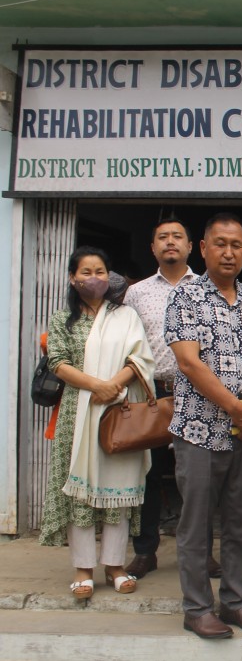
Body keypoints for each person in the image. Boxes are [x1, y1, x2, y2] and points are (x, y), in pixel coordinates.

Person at [165, 213, 242, 639]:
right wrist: (236, 407)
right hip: (199, 431)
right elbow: (189, 362)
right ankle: (196, 607)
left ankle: (234, 601)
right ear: (204, 248)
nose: (229, 252)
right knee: (196, 524)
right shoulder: (186, 297)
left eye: (237, 244)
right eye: (221, 243)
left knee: (240, 521)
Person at [39, 245, 156, 599]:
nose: (94, 278)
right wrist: (96, 385)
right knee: (82, 494)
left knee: (119, 492)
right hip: (78, 412)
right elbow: (57, 361)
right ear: (73, 279)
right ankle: (83, 569)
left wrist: (114, 385)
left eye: (100, 271)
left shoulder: (126, 316)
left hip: (119, 412)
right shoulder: (63, 318)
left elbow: (141, 357)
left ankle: (116, 567)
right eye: (86, 272)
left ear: (110, 278)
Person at [122, 217, 206, 580]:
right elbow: (126, 345)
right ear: (153, 248)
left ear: (191, 247)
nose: (170, 242)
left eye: (178, 237)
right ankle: (145, 550)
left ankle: (203, 553)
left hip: (199, 392)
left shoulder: (207, 288)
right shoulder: (136, 292)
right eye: (162, 238)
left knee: (198, 479)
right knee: (148, 475)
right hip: (151, 393)